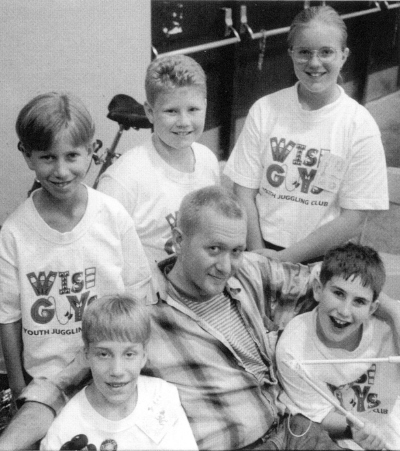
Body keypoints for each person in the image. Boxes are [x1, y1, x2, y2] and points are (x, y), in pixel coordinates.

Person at [0, 186, 347, 451]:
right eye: (213, 249)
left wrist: (390, 310)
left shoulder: (249, 272)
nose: (225, 266)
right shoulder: (140, 308)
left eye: (236, 251)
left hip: (294, 429)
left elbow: (327, 282)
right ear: (179, 241)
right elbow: (61, 385)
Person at [0, 92, 151, 401]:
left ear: (91, 151)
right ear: (28, 156)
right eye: (47, 157)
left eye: (71, 156)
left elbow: (140, 295)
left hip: (113, 373)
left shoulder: (112, 216)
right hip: (45, 381)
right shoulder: (14, 233)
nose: (61, 171)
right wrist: (18, 387)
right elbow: (8, 316)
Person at [224, 5, 388, 264]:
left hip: (323, 259)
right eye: (304, 52)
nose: (314, 63)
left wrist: (285, 260)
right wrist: (259, 258)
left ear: (343, 55)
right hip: (258, 249)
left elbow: (353, 217)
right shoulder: (265, 110)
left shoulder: (359, 125)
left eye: (326, 52)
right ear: (291, 54)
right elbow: (243, 191)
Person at [97, 54, 220, 274]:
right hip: (150, 300)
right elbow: (103, 259)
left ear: (205, 105)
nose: (183, 122)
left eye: (193, 110)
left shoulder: (208, 160)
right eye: (171, 111)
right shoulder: (122, 180)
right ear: (150, 112)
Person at [276, 243, 400, 450]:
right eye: (338, 293)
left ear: (373, 308)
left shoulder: (389, 327)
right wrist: (354, 430)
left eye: (359, 301)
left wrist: (395, 314)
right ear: (318, 290)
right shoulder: (292, 349)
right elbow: (321, 414)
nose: (344, 310)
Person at [40, 295, 198, 450]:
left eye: (129, 354)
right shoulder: (65, 428)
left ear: (143, 356)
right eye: (104, 354)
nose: (117, 370)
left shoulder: (162, 397)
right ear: (86, 355)